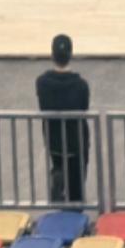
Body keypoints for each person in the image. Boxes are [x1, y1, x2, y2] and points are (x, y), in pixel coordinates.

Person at [36, 35, 91, 205]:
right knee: (77, 185)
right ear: (71, 54)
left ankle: (59, 183)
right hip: (76, 141)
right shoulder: (80, 85)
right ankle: (74, 205)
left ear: (52, 55)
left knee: (59, 165)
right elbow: (84, 108)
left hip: (54, 140)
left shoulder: (42, 83)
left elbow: (43, 106)